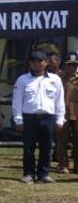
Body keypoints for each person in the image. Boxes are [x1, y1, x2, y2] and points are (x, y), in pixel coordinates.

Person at [12, 50, 66, 184]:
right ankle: (29, 173)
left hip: (48, 117)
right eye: (33, 62)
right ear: (30, 64)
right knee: (29, 147)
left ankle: (44, 174)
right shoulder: (23, 79)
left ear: (46, 63)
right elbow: (17, 101)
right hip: (29, 117)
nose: (36, 65)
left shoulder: (55, 79)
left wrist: (60, 119)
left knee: (47, 147)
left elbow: (59, 101)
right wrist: (18, 119)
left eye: (39, 62)